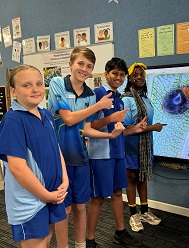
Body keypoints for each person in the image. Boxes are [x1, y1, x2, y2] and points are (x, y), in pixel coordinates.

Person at [48, 47, 114, 248]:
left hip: (81, 158)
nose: (84, 69)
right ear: (70, 63)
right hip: (59, 158)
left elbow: (84, 128)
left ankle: (80, 245)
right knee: (64, 209)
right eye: (81, 63)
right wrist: (99, 106)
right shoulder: (57, 83)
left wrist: (109, 135)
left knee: (80, 206)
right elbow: (68, 119)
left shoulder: (91, 95)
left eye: (89, 66)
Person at [0, 64, 68, 247]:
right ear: (13, 91)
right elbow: (17, 168)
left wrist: (65, 179)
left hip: (51, 194)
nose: (35, 89)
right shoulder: (13, 120)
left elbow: (56, 149)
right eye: (26, 85)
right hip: (30, 202)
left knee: (46, 240)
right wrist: (46, 195)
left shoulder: (45, 115)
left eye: (38, 83)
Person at [85, 58, 143, 248]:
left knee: (118, 193)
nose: (118, 77)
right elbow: (90, 126)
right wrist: (111, 117)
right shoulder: (97, 94)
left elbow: (118, 130)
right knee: (98, 198)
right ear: (106, 74)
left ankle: (120, 231)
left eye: (121, 74)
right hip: (101, 154)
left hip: (118, 152)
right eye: (114, 73)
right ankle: (90, 239)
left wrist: (134, 129)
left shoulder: (118, 98)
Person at [121, 62, 166, 232]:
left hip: (146, 147)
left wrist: (152, 128)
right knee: (131, 178)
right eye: (136, 75)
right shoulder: (126, 99)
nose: (139, 77)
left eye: (142, 75)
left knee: (142, 177)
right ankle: (133, 214)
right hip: (131, 146)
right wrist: (154, 128)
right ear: (130, 78)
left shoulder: (145, 99)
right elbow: (126, 128)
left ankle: (145, 212)